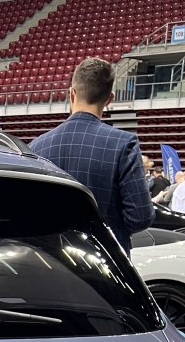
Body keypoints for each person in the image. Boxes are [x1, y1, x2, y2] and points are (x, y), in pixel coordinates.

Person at [30, 57, 153, 251]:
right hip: (105, 259)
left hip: (51, 259)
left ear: (72, 94)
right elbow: (140, 217)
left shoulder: (36, 147)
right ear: (109, 99)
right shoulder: (123, 144)